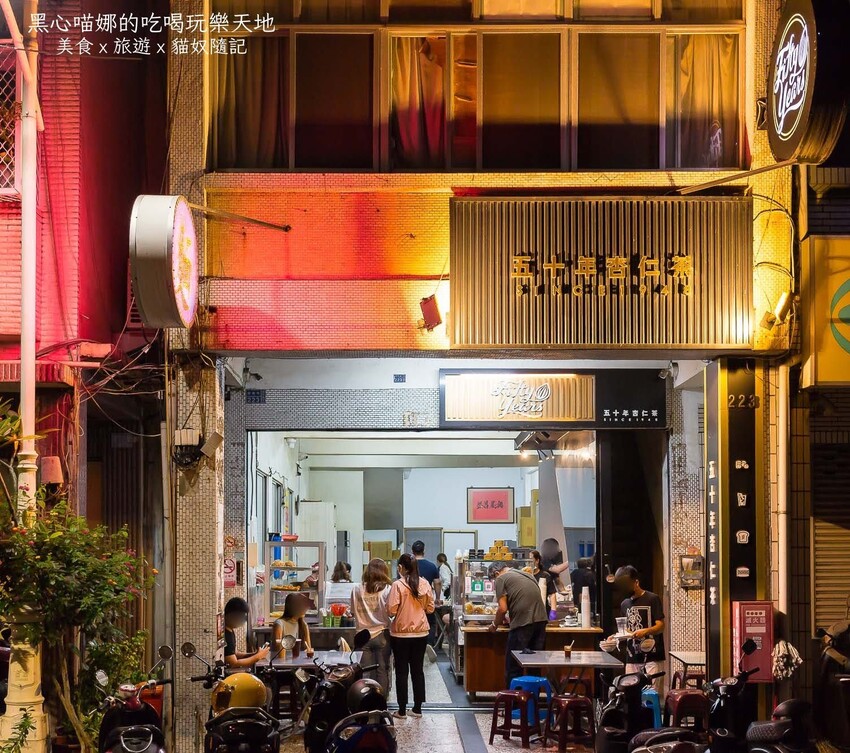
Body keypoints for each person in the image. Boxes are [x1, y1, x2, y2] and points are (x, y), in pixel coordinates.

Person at [388, 553, 435, 719]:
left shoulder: (397, 585)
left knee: (401, 671)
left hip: (401, 634)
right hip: (421, 633)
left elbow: (391, 610)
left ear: (401, 567)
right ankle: (417, 709)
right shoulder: (425, 583)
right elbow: (430, 608)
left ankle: (401, 710)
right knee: (418, 670)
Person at [489, 563, 549, 686]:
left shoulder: (501, 578)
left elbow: (502, 609)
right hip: (541, 621)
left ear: (496, 573)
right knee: (534, 666)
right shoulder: (528, 575)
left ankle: (514, 697)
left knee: (513, 667)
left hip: (522, 623)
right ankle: (533, 697)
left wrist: (494, 625)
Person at [615, 565, 666, 691]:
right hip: (632, 656)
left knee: (651, 693)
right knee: (631, 693)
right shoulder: (624, 604)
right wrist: (615, 638)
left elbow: (661, 626)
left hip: (652, 656)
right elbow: (625, 629)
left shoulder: (652, 599)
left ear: (636, 582)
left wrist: (646, 631)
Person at [351, 558, 393, 692]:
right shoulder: (387, 589)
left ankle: (364, 698)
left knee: (364, 671)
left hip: (362, 635)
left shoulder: (356, 589)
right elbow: (391, 611)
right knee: (382, 669)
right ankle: (381, 700)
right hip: (382, 633)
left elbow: (352, 611)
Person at [411, 540, 441, 661]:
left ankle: (414, 645)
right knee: (430, 623)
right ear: (424, 551)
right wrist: (437, 598)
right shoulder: (431, 566)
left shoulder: (409, 566)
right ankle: (428, 643)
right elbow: (437, 583)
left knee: (413, 623)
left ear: (412, 551)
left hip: (411, 602)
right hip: (426, 601)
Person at [223, 597, 271, 668]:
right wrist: (258, 656)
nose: (243, 621)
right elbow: (233, 663)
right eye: (241, 617)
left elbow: (235, 654)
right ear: (231, 615)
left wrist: (254, 654)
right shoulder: (225, 634)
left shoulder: (230, 630)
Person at [531, 550, 558, 619]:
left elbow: (552, 594)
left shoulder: (545, 575)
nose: (528, 563)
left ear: (537, 561)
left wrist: (553, 611)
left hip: (543, 611)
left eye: (530, 560)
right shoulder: (524, 576)